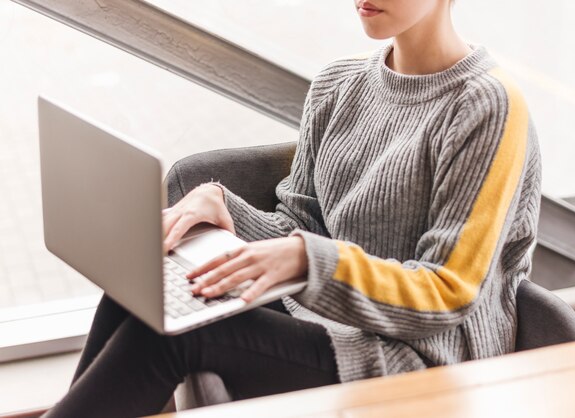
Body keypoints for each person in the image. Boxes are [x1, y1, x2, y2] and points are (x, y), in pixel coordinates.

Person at [44, 0, 541, 416]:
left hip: (423, 358)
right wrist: (221, 206)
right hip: (327, 318)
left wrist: (309, 260)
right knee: (144, 290)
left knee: (169, 339)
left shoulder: (485, 106)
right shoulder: (338, 84)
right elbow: (301, 223)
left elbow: (449, 292)